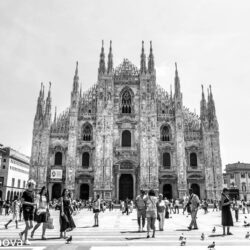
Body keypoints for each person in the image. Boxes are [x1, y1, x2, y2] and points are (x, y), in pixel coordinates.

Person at [19, 179, 37, 245]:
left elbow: (33, 201)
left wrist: (35, 205)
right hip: (26, 210)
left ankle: (21, 233)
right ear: (31, 185)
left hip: (32, 210)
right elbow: (22, 201)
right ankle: (25, 240)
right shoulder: (25, 192)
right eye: (34, 185)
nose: (35, 186)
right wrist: (31, 204)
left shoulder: (33, 192)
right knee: (27, 225)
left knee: (31, 226)